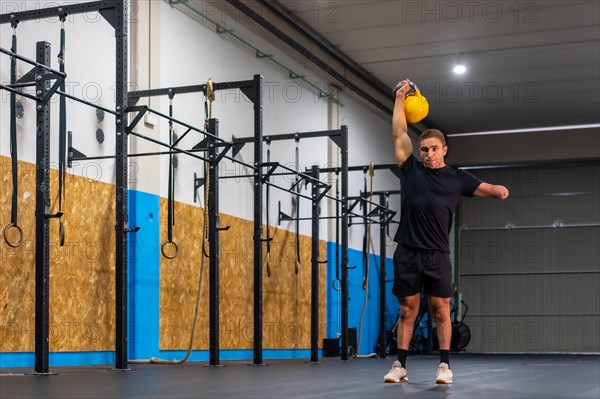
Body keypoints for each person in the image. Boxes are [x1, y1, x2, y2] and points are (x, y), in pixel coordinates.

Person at [383, 79, 509, 384]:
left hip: (437, 254)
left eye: (434, 149)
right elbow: (399, 132)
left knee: (441, 311)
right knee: (406, 311)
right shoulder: (411, 169)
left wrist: (498, 190)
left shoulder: (457, 178)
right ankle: (400, 365)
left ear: (444, 150)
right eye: (424, 149)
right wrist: (400, 98)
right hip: (408, 251)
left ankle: (444, 366)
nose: (428, 153)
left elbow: (485, 188)